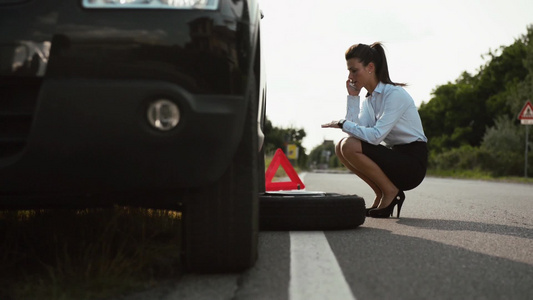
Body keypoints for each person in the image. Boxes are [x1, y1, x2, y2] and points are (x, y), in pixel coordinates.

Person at [322, 42, 428, 218]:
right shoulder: (369, 101)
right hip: (395, 156)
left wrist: (342, 123)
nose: (350, 76)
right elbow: (354, 133)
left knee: (348, 146)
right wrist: (353, 98)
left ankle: (391, 192)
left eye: (354, 70)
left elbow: (376, 136)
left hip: (412, 164)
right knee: (342, 147)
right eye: (349, 71)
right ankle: (381, 193)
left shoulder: (394, 94)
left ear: (370, 67)